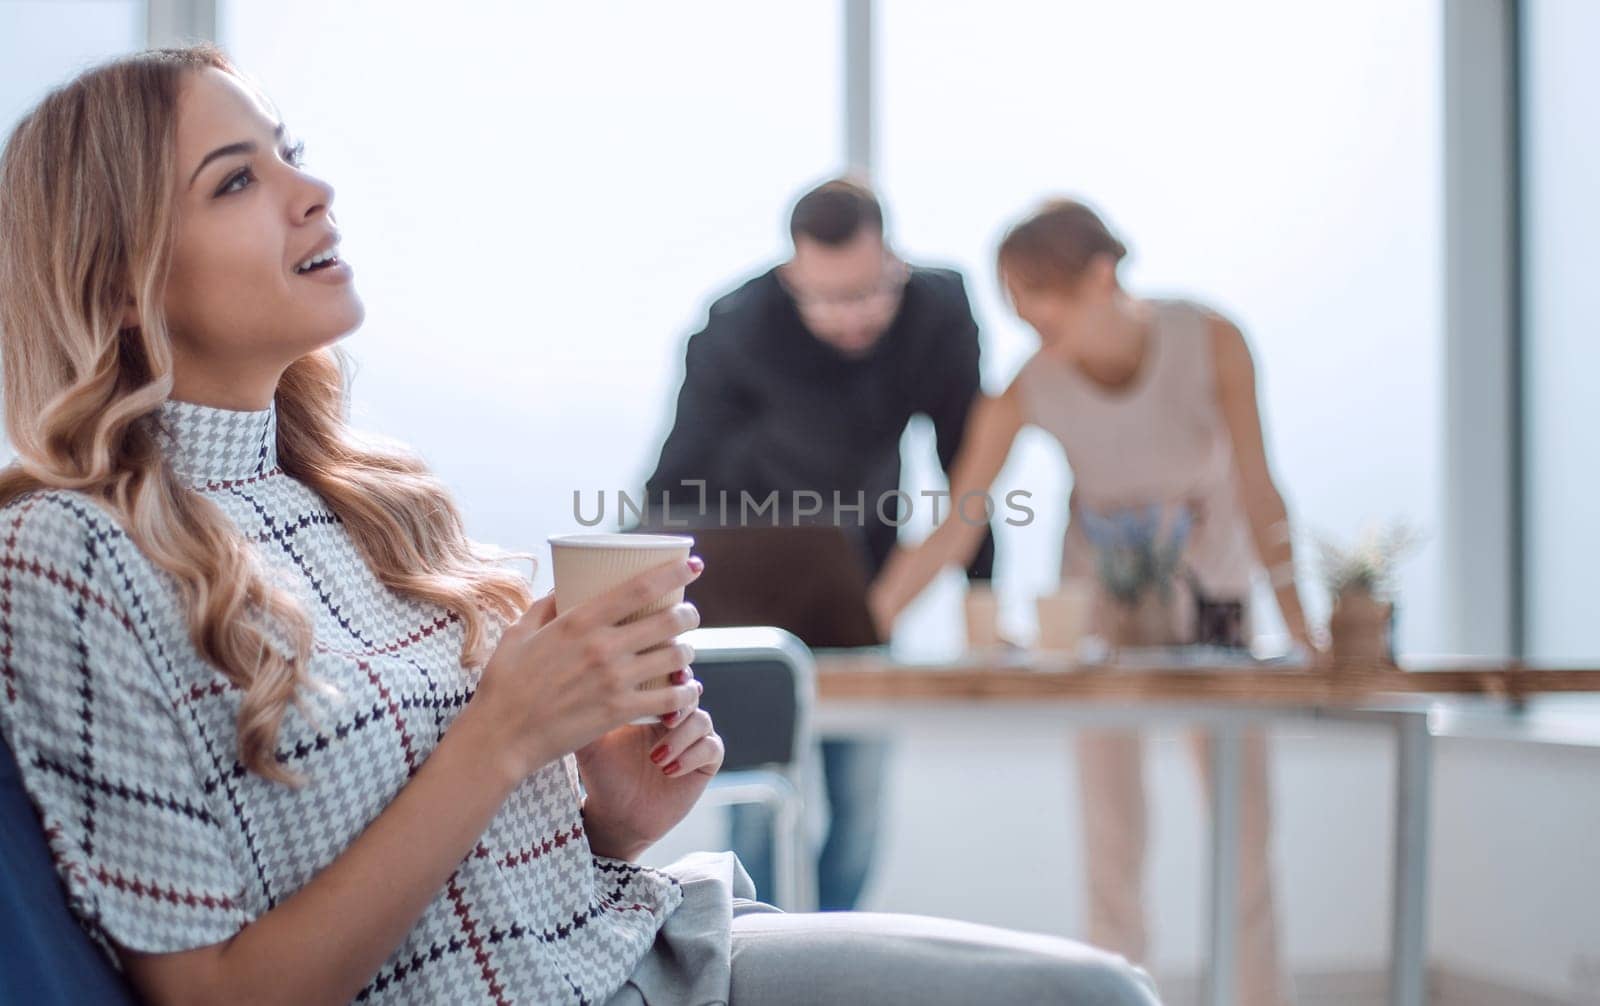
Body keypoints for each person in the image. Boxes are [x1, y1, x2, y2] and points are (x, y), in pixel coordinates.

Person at [0, 48, 1162, 1006]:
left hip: (640, 951)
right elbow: (212, 993)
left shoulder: (367, 502)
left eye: (289, 153)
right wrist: (503, 736)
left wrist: (604, 817)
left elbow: (965, 478)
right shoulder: (73, 557)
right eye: (234, 180)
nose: (314, 191)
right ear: (118, 280)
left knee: (1098, 995)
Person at [871, 198, 1316, 1006]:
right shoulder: (1030, 386)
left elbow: (1259, 489)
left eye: (1049, 295)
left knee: (1246, 843)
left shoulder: (1210, 338)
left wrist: (1307, 634)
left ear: (1102, 273)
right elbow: (957, 524)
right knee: (1115, 844)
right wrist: (867, 624)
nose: (1037, 320)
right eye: (1020, 303)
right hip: (1099, 621)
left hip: (1214, 607)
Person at [645, 178, 995, 911]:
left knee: (862, 809)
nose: (855, 316)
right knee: (760, 803)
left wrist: (981, 596)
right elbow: (671, 488)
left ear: (894, 259)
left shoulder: (936, 310)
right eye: (829, 299)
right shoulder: (734, 326)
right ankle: (767, 963)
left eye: (872, 292)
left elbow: (970, 465)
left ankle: (828, 960)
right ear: (791, 275)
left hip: (868, 596)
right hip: (749, 601)